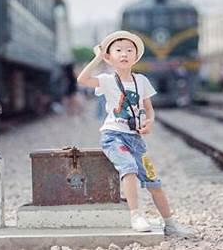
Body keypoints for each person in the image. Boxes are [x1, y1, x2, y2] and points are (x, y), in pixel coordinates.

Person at [76, 30, 194, 237]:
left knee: (153, 181)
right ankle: (136, 214)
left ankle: (170, 224)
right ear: (109, 56)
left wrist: (150, 122)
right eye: (118, 50)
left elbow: (149, 108)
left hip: (136, 139)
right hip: (114, 135)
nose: (124, 54)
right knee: (128, 168)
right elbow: (82, 79)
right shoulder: (106, 80)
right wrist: (97, 56)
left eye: (129, 50)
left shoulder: (142, 81)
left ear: (136, 56)